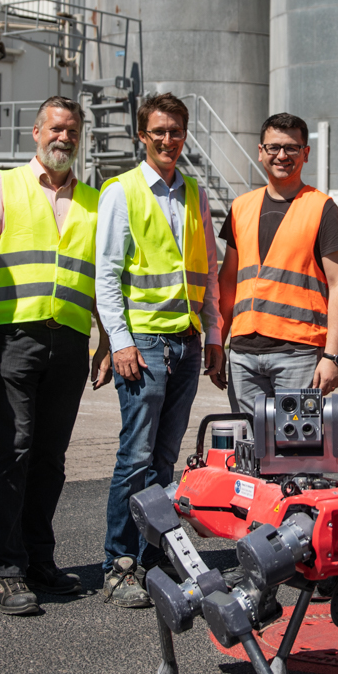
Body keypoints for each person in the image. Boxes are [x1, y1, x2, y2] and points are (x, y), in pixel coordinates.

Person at [0, 96, 110, 618]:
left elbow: (103, 281)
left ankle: (40, 560)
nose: (63, 138)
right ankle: (7, 570)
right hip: (12, 338)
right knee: (14, 450)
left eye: (72, 131)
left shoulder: (94, 200)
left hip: (68, 340)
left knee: (50, 457)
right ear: (36, 132)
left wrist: (106, 341)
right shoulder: (2, 186)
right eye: (55, 129)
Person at [94, 91, 223, 608]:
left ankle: (153, 557)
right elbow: (106, 274)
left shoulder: (193, 193)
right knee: (136, 456)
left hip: (187, 341)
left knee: (166, 459)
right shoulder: (121, 191)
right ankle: (118, 563)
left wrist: (214, 335)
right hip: (144, 344)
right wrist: (120, 342)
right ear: (141, 137)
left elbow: (208, 272)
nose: (168, 140)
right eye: (158, 132)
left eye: (176, 132)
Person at [215, 113, 338, 415]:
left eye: (291, 148)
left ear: (306, 153)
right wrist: (217, 341)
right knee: (248, 453)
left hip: (299, 353)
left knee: (296, 452)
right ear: (260, 151)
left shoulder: (322, 208)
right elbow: (228, 281)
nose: (282, 155)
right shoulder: (241, 208)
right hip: (243, 355)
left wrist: (332, 356)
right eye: (273, 147)